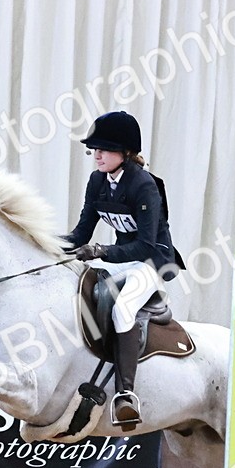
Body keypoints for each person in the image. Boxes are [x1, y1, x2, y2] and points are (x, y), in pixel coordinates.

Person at [64, 110, 182, 431]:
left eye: (104, 149)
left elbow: (145, 245)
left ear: (125, 153)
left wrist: (101, 251)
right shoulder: (97, 181)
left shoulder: (144, 185)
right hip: (123, 258)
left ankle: (125, 395)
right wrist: (43, 244)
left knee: (124, 308)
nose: (97, 155)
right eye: (95, 149)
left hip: (153, 260)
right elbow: (80, 235)